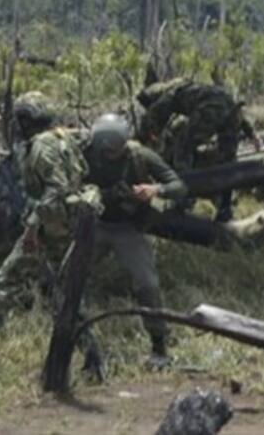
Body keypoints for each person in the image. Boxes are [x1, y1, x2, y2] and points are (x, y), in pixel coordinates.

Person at [0, 92, 101, 364]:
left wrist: (32, 227)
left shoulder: (41, 146)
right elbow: (81, 172)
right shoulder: (65, 139)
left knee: (5, 281)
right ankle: (92, 356)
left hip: (47, 229)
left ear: (27, 120)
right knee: (65, 294)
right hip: (66, 227)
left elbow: (56, 190)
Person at [81, 113, 187, 368]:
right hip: (94, 225)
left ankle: (159, 345)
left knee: (147, 284)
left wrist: (155, 190)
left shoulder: (140, 156)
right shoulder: (84, 154)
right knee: (70, 279)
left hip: (127, 229)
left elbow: (179, 186)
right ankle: (78, 339)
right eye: (107, 150)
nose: (112, 154)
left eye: (116, 149)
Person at [136, 78, 258, 221]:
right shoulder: (191, 86)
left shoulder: (169, 92)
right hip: (231, 108)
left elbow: (153, 114)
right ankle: (225, 207)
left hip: (209, 109)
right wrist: (251, 134)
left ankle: (183, 199)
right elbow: (231, 107)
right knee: (228, 159)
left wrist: (144, 137)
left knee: (183, 148)